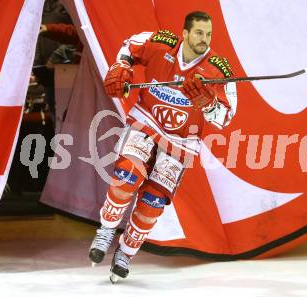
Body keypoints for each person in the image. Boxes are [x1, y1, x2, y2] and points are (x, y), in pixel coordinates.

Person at [89, 11, 237, 283]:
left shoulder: (218, 69)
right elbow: (129, 46)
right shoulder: (162, 43)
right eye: (199, 33)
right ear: (185, 33)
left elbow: (226, 117)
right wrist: (122, 66)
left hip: (182, 140)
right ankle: (106, 230)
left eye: (208, 34)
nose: (205, 39)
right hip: (147, 122)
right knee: (126, 178)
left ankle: (125, 253)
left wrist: (207, 103)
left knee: (152, 203)